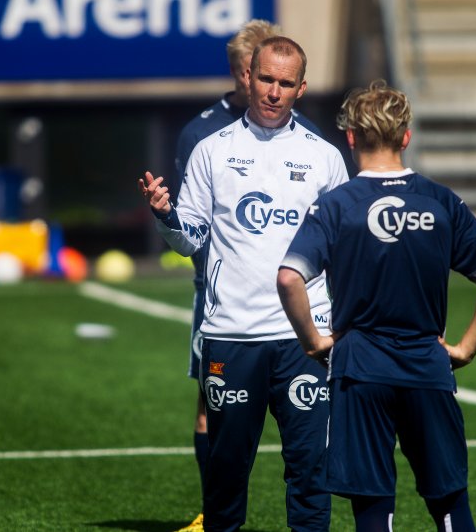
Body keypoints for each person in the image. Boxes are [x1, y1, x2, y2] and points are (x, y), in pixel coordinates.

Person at [277, 80, 476, 531]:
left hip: (359, 367)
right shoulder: (441, 202)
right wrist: (465, 349)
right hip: (427, 365)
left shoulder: (335, 205)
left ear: (350, 138)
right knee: (448, 499)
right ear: (406, 137)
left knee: (373, 504)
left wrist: (313, 343)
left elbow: (290, 278)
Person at [141, 36, 349, 532]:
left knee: (310, 473)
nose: (273, 92)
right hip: (233, 335)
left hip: (306, 339)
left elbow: (345, 250)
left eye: (285, 83)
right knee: (227, 474)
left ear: (301, 88)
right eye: (265, 80)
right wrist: (166, 216)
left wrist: (346, 325)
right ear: (247, 78)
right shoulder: (212, 150)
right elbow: (189, 240)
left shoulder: (325, 157)